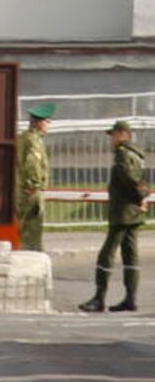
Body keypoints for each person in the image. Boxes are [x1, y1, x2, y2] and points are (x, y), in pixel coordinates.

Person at [79, 120, 148, 312]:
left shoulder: (123, 154)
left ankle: (99, 298)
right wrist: (141, 199)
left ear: (123, 134)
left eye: (114, 135)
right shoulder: (136, 154)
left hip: (123, 211)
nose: (112, 139)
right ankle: (130, 298)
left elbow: (130, 179)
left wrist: (140, 197)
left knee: (107, 254)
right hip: (133, 212)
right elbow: (139, 180)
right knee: (130, 254)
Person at [15, 102, 54, 251]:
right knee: (32, 232)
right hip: (31, 191)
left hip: (23, 189)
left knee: (24, 228)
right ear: (39, 122)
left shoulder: (24, 137)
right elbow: (32, 164)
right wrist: (35, 185)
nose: (48, 125)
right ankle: (31, 256)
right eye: (47, 122)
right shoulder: (34, 141)